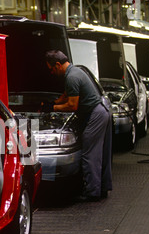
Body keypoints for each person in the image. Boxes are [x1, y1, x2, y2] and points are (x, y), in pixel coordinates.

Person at [43, 50, 112, 202]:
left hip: (96, 114)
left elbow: (72, 105)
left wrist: (52, 109)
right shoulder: (74, 71)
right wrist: (53, 102)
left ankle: (92, 193)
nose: (52, 72)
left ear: (58, 64)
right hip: (101, 111)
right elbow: (65, 97)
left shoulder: (72, 77)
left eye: (52, 69)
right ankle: (102, 188)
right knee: (102, 153)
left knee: (90, 154)